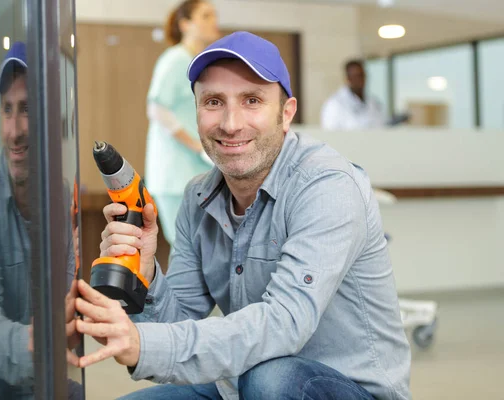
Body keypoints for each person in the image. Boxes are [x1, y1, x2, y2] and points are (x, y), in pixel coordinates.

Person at [75, 32, 411, 400]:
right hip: (243, 381)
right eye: (214, 102)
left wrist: (144, 344)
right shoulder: (198, 197)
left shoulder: (327, 186)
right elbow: (177, 325)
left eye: (252, 100)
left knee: (271, 381)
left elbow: (285, 323)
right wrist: (147, 271)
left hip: (346, 387)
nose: (231, 123)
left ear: (286, 114)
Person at [0, 41, 82, 400]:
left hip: (51, 368)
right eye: (7, 110)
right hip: (5, 369)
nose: (15, 130)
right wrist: (32, 341)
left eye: (27, 109)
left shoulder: (61, 191)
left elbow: (68, 301)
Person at [144, 0, 219, 246]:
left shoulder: (201, 62)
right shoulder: (175, 59)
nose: (214, 22)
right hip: (175, 175)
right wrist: (198, 147)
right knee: (186, 248)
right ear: (186, 24)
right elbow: (157, 109)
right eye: (205, 16)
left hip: (194, 172)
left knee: (201, 248)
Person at [321, 59, 386, 130]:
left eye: (362, 75)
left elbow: (382, 125)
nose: (361, 80)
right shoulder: (334, 104)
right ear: (348, 79)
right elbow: (330, 134)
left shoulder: (374, 102)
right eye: (356, 76)